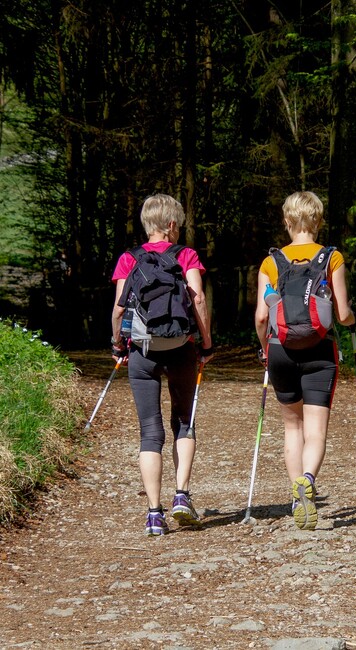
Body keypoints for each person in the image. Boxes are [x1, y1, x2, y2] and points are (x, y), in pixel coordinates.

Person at [255, 190, 356, 531]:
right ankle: (309, 480)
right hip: (319, 350)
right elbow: (342, 314)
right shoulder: (331, 257)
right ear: (318, 221)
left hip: (280, 349)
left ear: (287, 222)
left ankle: (297, 497)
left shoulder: (271, 263)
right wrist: (354, 320)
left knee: (292, 427)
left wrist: (264, 350)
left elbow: (261, 316)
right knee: (315, 429)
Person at [111, 194, 214, 536]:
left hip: (142, 351)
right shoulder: (186, 256)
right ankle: (181, 495)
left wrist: (117, 344)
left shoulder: (129, 259)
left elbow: (120, 309)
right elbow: (197, 299)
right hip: (181, 346)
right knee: (184, 420)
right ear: (172, 225)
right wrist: (206, 342)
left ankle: (154, 514)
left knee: (149, 432)